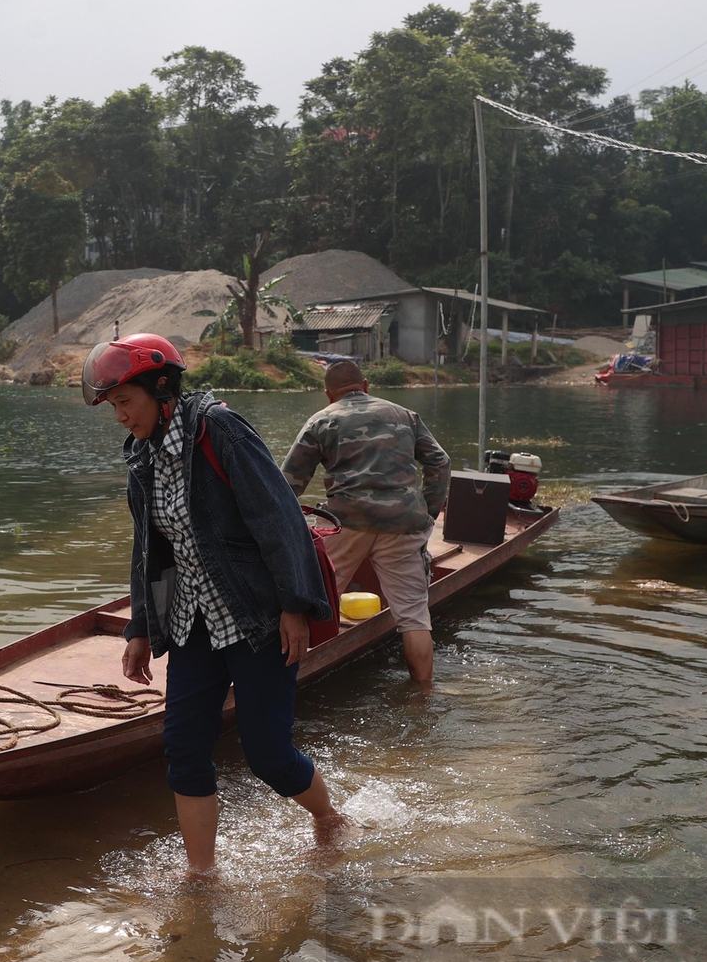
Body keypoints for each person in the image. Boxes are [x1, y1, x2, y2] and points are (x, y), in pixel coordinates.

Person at [83, 333, 346, 877]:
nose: (121, 418)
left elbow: (279, 518)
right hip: (191, 622)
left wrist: (294, 607)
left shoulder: (219, 430)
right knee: (182, 751)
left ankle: (328, 817)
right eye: (113, 407)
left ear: (161, 388)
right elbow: (149, 549)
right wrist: (139, 627)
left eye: (125, 403)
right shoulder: (142, 456)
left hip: (256, 617)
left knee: (269, 756)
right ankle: (201, 876)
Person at [279, 360, 450, 687]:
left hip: (347, 524)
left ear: (328, 394)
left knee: (317, 600)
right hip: (404, 525)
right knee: (414, 617)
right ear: (367, 385)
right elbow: (439, 461)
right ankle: (423, 696)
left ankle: (284, 684)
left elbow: (287, 484)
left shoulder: (322, 420)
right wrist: (428, 511)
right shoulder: (405, 415)